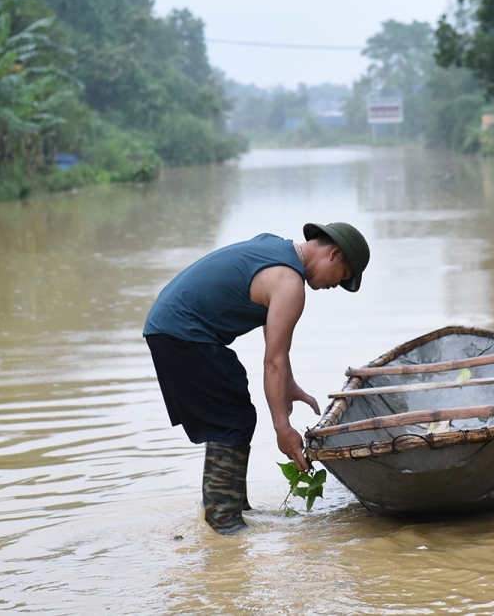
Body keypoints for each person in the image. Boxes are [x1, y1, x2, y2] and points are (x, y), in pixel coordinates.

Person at [143, 222, 370, 533]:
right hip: (182, 331)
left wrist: (288, 385)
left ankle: (228, 506)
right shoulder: (290, 283)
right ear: (334, 254)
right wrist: (282, 428)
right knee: (232, 419)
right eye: (342, 278)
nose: (334, 287)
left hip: (169, 325)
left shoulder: (276, 248)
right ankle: (223, 522)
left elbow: (274, 339)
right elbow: (272, 362)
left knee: (229, 410)